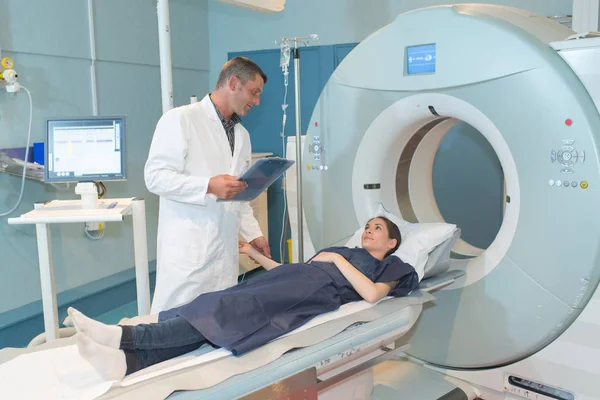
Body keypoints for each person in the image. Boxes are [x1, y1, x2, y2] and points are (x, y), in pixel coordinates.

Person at [68, 216, 419, 381]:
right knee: (215, 301)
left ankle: (123, 337)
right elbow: (290, 270)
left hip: (313, 294)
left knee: (225, 310)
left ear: (391, 243)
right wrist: (257, 255)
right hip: (292, 280)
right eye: (368, 226)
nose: (368, 230)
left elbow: (372, 296)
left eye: (378, 229)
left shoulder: (391, 265)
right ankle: (129, 363)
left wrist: (337, 260)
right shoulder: (341, 249)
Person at [144, 56, 271, 313]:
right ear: (234, 82)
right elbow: (155, 177)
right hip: (188, 251)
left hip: (223, 253)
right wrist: (208, 186)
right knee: (173, 324)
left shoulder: (241, 135)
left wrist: (253, 233)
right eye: (254, 92)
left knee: (216, 325)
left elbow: (239, 194)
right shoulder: (181, 120)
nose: (257, 101)